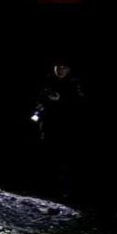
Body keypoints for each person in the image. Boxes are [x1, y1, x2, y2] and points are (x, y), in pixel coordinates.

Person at [32, 58, 85, 197]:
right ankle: (46, 187)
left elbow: (78, 105)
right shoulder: (48, 82)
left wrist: (60, 101)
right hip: (48, 125)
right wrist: (38, 112)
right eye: (57, 67)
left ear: (68, 69)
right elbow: (39, 100)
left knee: (65, 157)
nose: (60, 70)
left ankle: (65, 190)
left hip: (67, 127)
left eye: (63, 67)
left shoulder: (74, 84)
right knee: (47, 155)